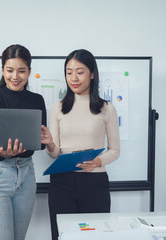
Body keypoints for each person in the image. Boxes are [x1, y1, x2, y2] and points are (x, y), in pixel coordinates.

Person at [41, 49, 120, 240]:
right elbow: (55, 153)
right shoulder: (57, 108)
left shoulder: (107, 108)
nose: (74, 78)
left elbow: (115, 150)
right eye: (69, 72)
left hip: (95, 183)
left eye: (80, 71)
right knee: (62, 236)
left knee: (96, 236)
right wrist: (50, 144)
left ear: (92, 74)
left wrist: (98, 162)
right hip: (62, 183)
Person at [0, 44, 46, 240]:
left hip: (26, 175)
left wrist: (45, 141)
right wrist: (3, 153)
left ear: (29, 72)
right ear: (3, 71)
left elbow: (40, 143)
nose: (15, 76)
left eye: (21, 70)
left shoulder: (37, 100)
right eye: (9, 70)